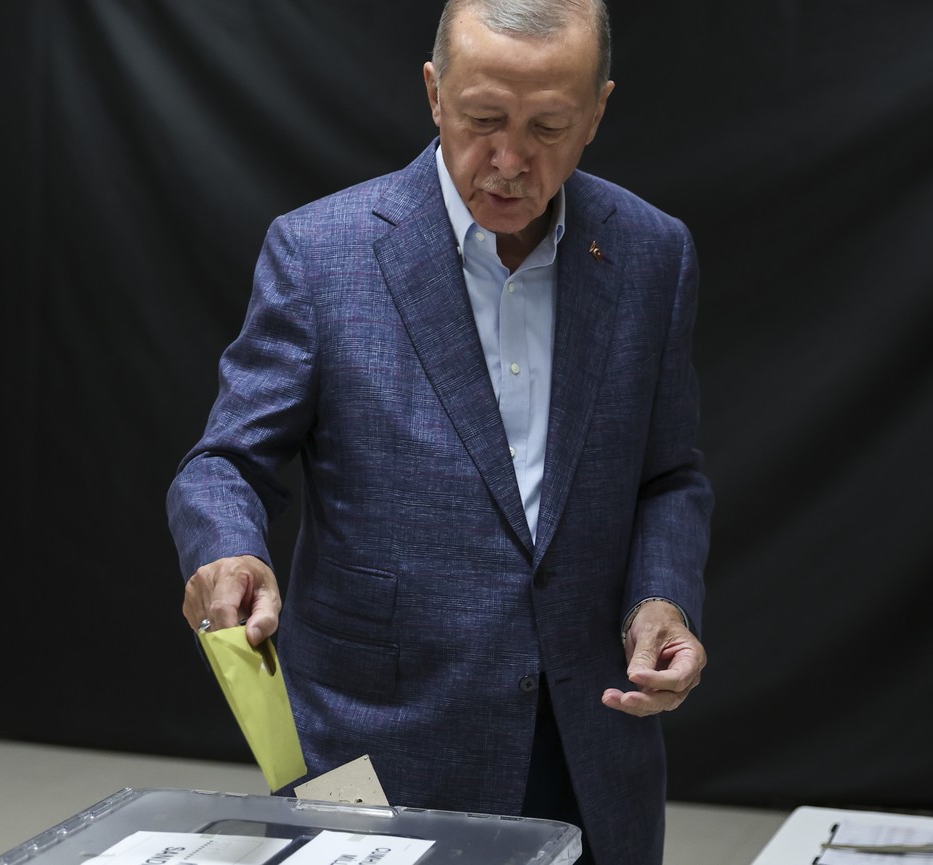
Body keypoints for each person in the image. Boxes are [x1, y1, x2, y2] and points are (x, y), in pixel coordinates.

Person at [167, 1, 711, 863]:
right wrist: (228, 550)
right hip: (376, 746)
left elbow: (669, 475)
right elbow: (224, 461)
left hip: (591, 743)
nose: (508, 160)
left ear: (599, 110)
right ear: (434, 93)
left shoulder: (652, 254)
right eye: (483, 119)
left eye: (549, 127)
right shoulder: (322, 253)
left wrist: (662, 597)